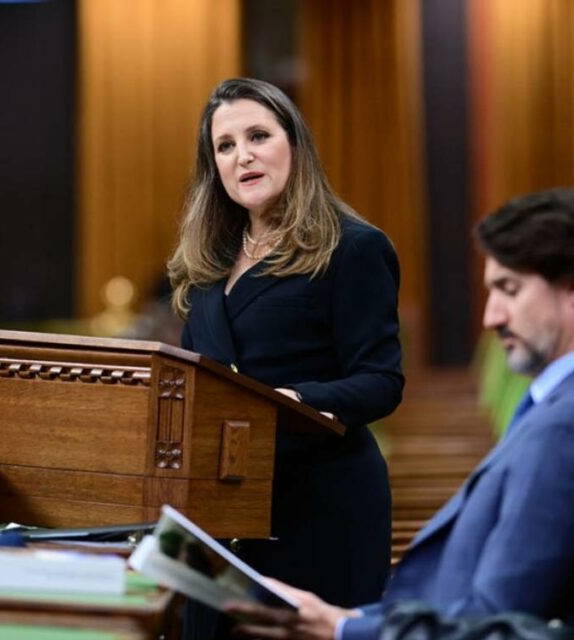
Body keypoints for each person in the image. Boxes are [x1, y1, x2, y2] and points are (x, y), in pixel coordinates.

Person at [227, 187, 574, 639]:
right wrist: (348, 621)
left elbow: (495, 625)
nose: (492, 317)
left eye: (510, 289)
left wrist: (344, 630)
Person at [166, 78, 404, 633]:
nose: (242, 155)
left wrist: (290, 401)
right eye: (224, 146)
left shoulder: (353, 247)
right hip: (219, 505)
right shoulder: (207, 264)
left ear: (294, 144)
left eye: (257, 135)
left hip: (320, 505)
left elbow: (381, 381)